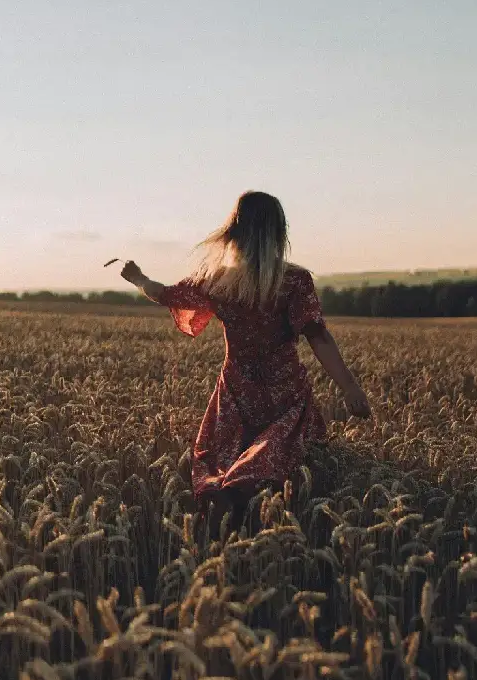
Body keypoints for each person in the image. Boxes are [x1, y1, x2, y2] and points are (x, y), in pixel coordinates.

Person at [119, 190, 371, 529]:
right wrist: (350, 387)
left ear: (234, 231)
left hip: (236, 392)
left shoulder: (218, 281)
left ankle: (225, 526)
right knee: (279, 468)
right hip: (285, 395)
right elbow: (318, 336)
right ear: (279, 232)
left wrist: (138, 279)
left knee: (223, 467)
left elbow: (164, 294)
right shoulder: (294, 281)